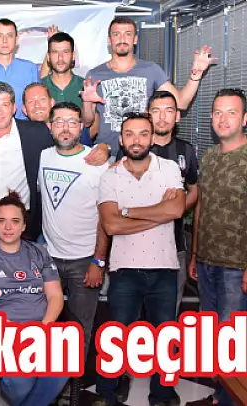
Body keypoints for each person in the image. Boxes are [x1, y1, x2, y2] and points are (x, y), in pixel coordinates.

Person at [96, 112, 185, 406]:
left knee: (165, 338)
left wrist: (127, 211)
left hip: (164, 268)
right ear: (121, 140)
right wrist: (158, 211)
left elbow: (176, 211)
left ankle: (162, 394)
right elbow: (111, 225)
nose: (137, 140)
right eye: (130, 134)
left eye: (143, 133)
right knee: (115, 337)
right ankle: (106, 394)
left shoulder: (169, 168)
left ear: (152, 137)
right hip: (124, 270)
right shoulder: (110, 176)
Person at [0, 82, 111, 246]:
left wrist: (103, 147)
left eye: (5, 105)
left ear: (14, 108)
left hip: (22, 227)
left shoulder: (35, 132)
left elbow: (69, 138)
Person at [0, 191, 66, 406]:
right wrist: (6, 326)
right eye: (1, 221)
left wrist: (45, 326)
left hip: (40, 327)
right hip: (3, 332)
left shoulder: (39, 252)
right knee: (21, 380)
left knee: (61, 367)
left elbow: (56, 295)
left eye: (15, 221)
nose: (8, 227)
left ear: (23, 226)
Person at [80, 16, 215, 156]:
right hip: (106, 153)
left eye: (128, 34)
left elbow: (181, 102)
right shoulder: (94, 74)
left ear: (135, 39)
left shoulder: (151, 70)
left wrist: (197, 74)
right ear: (109, 40)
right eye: (116, 34)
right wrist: (86, 102)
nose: (122, 39)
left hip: (143, 153)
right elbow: (87, 121)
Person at [115, 91, 199, 315]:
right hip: (130, 247)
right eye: (156, 111)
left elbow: (194, 190)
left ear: (177, 116)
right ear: (148, 114)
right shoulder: (133, 149)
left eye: (168, 111)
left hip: (173, 248)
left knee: (165, 321)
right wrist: (162, 213)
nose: (162, 117)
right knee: (129, 321)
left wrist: (175, 210)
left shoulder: (185, 151)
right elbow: (117, 200)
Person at [188, 88, 247, 406]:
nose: (223, 119)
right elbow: (202, 207)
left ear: (245, 119)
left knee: (231, 339)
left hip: (237, 267)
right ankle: (220, 396)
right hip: (207, 262)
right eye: (218, 112)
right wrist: (195, 253)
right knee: (211, 336)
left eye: (231, 112)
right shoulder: (209, 157)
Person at [39, 102, 109, 360]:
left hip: (84, 260)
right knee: (47, 325)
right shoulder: (42, 156)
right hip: (49, 258)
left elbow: (106, 217)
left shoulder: (97, 163)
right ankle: (50, 376)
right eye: (59, 122)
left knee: (80, 328)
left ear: (81, 126)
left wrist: (98, 261)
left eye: (72, 122)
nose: (65, 128)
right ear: (50, 127)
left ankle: (75, 380)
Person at [41, 31, 98, 146]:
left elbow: (93, 126)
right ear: (48, 57)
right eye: (55, 52)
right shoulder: (39, 87)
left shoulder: (85, 86)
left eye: (65, 52)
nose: (60, 58)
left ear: (73, 56)